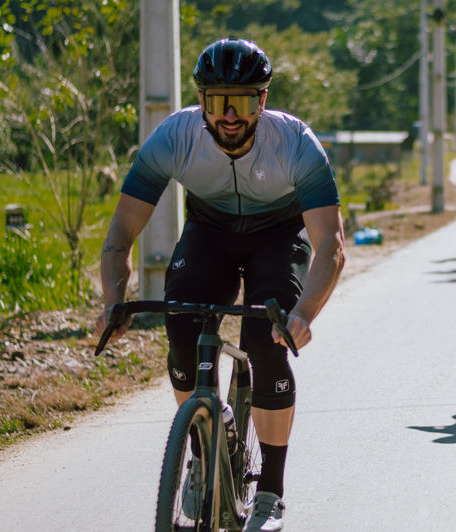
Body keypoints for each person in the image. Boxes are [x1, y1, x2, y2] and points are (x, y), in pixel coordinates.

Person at [95, 38, 345, 532]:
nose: (230, 115)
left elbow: (331, 246)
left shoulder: (296, 143)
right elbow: (119, 236)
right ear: (202, 102)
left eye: (244, 100)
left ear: (263, 101)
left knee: (265, 338)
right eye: (217, 101)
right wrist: (113, 302)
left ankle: (270, 491)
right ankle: (200, 451)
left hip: (278, 234)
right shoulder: (173, 137)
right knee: (182, 330)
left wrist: (303, 315)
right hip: (209, 232)